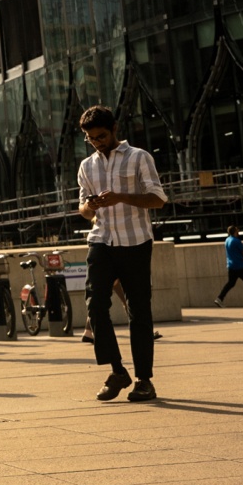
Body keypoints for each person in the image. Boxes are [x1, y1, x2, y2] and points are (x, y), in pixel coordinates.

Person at [76, 106, 166, 402]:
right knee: (95, 306)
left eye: (101, 136)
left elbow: (158, 199)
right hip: (101, 240)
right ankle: (117, 370)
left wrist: (120, 197)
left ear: (114, 128)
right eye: (91, 139)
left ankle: (144, 380)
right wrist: (90, 206)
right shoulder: (87, 166)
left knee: (139, 311)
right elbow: (82, 209)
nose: (97, 142)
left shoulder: (139, 157)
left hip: (135, 241)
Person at [215, 228, 243, 306]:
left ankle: (219, 298)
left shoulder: (227, 240)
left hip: (231, 266)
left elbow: (234, 254)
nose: (238, 232)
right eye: (237, 230)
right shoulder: (236, 241)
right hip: (240, 267)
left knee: (230, 283)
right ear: (235, 232)